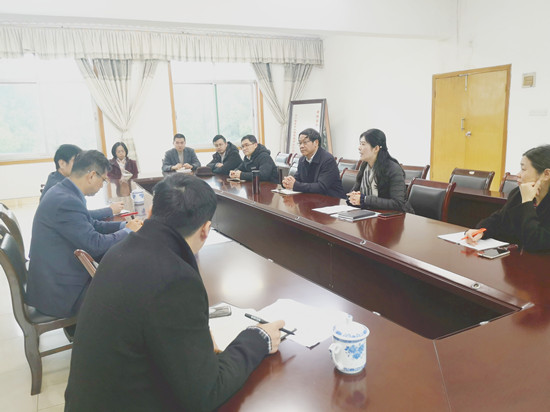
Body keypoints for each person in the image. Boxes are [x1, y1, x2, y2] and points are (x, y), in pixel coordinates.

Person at [64, 174, 284, 411]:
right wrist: (257, 338)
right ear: (206, 230)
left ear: (150, 212)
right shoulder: (176, 280)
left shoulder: (118, 251)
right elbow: (207, 393)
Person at [26, 150, 143, 319]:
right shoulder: (66, 200)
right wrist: (128, 232)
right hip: (61, 293)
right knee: (127, 289)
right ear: (92, 176)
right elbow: (95, 245)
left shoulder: (64, 191)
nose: (102, 185)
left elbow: (92, 224)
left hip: (56, 277)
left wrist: (124, 225)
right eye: (103, 180)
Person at [464, 145, 550, 252]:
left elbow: (535, 242)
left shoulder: (526, 196)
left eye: (523, 169)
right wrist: (481, 231)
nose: (518, 174)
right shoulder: (518, 194)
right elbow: (500, 219)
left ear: (546, 174)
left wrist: (527, 202)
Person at [41, 144, 124, 219]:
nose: (80, 164)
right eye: (76, 161)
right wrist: (109, 210)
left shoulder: (57, 178)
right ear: (62, 163)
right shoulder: (58, 188)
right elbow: (80, 215)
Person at [347, 129, 412, 212]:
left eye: (363, 144)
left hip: (393, 216)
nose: (359, 148)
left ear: (376, 148)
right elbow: (354, 192)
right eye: (360, 144)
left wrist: (365, 199)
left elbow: (398, 203)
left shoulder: (393, 169)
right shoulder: (364, 166)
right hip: (370, 212)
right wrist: (353, 197)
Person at [282, 128, 345, 198]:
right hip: (311, 198)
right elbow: (298, 179)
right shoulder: (302, 159)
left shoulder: (328, 160)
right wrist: (288, 182)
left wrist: (295, 185)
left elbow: (321, 186)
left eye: (305, 142)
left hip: (331, 200)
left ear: (316, 143)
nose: (301, 146)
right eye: (300, 143)